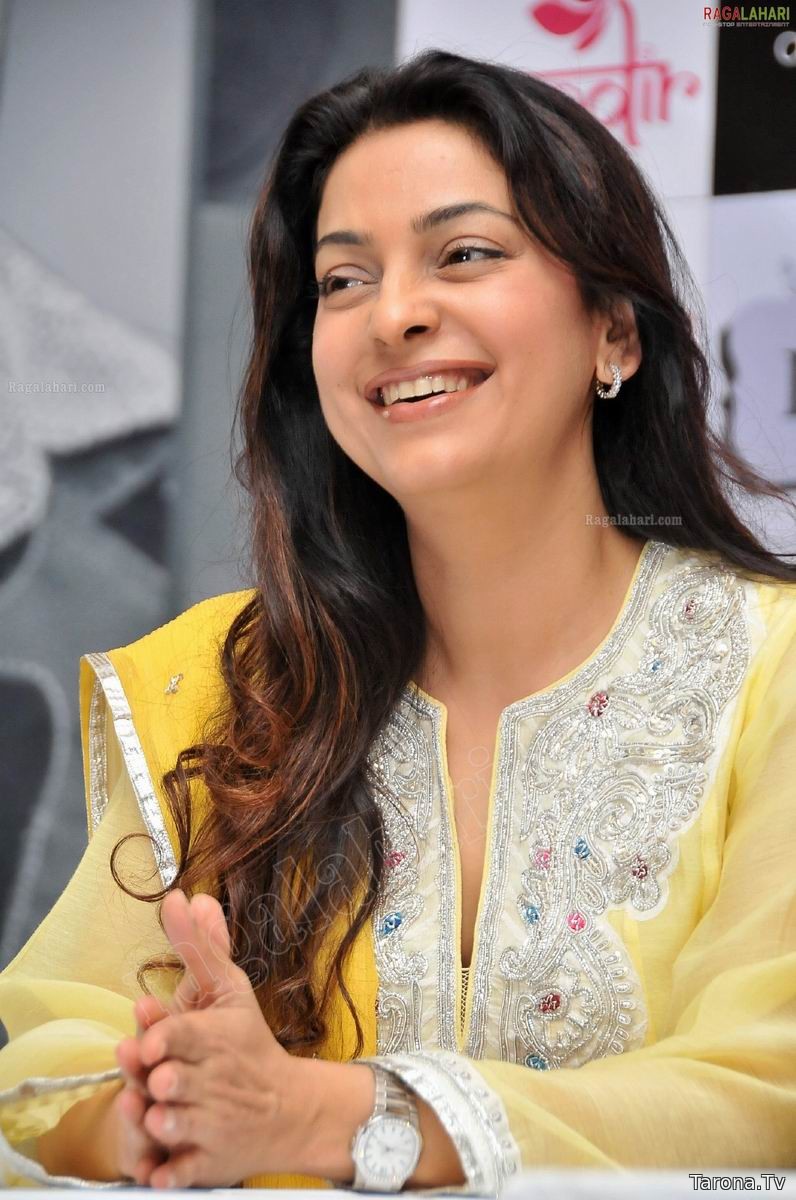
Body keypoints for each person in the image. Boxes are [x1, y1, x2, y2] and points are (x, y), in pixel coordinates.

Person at [1, 47, 795, 1193]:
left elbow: (767, 1085)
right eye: (342, 280)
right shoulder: (220, 682)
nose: (395, 315)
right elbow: (60, 1044)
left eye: (464, 254)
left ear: (615, 332)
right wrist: (159, 1111)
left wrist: (340, 1117)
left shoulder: (772, 669)